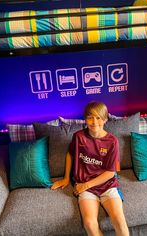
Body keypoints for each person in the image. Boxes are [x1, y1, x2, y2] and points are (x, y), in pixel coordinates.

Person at [51, 101, 130, 236]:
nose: (94, 122)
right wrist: (66, 178)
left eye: (98, 117)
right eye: (90, 117)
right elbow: (70, 154)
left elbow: (111, 173)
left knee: (120, 221)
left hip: (107, 186)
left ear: (105, 119)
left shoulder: (112, 142)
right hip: (86, 189)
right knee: (89, 223)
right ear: (85, 119)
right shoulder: (79, 137)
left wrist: (85, 185)